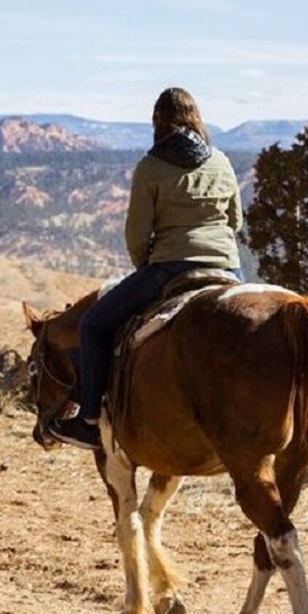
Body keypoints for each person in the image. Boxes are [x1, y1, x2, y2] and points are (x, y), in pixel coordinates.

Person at [49, 88, 243, 450]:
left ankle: (89, 419)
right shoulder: (222, 161)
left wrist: (147, 269)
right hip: (227, 267)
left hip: (171, 266)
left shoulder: (151, 166)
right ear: (196, 117)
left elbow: (137, 234)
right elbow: (235, 221)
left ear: (158, 122)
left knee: (93, 325)